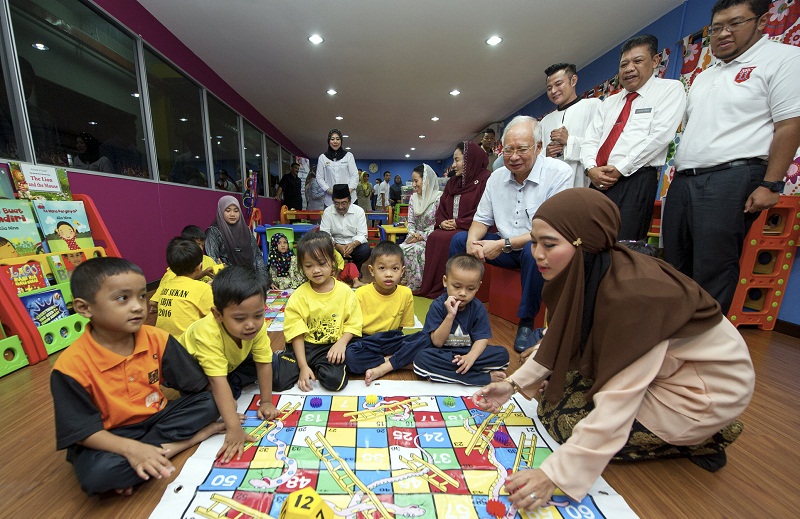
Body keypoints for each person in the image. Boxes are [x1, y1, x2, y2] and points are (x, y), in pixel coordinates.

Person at [473, 188, 755, 511]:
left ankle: (708, 437)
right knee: (551, 394)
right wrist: (513, 385)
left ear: (583, 243)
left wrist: (553, 475)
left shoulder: (635, 301)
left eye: (549, 244)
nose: (537, 254)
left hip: (701, 393)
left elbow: (620, 400)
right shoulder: (598, 264)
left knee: (562, 422)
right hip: (667, 371)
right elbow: (562, 334)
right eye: (535, 242)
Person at [664, 0, 800, 314]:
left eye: (735, 23)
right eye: (716, 28)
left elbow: (790, 124)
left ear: (763, 21)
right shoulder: (705, 74)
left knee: (713, 267)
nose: (723, 33)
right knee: (674, 266)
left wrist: (772, 184)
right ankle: (672, 342)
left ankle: (705, 351)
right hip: (684, 180)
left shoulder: (783, 59)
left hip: (731, 178)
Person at [50, 257, 220, 496]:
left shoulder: (157, 338)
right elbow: (83, 432)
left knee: (212, 402)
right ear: (84, 308)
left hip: (157, 417)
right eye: (122, 298)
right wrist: (130, 449)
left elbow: (197, 387)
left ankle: (145, 459)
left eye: (142, 295)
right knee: (96, 476)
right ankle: (182, 444)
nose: (138, 306)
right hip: (111, 435)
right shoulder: (69, 367)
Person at [451, 115, 572, 352]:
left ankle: (526, 323)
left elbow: (551, 230)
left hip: (536, 245)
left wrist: (504, 245)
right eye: (508, 150)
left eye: (522, 149)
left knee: (533, 249)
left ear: (538, 147)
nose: (514, 156)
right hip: (504, 245)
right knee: (459, 239)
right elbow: (480, 220)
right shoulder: (496, 177)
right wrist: (473, 242)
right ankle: (459, 308)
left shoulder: (559, 173)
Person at [581, 34, 686, 241]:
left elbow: (660, 136)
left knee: (624, 246)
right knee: (588, 242)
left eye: (637, 61)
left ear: (655, 61)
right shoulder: (609, 102)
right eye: (624, 64)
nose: (629, 69)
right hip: (597, 180)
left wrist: (620, 168)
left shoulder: (670, 90)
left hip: (635, 179)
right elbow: (590, 140)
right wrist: (590, 168)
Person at [179, 266, 279, 463]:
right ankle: (221, 391)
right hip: (192, 372)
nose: (251, 324)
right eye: (240, 318)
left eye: (258, 315)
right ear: (218, 315)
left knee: (272, 362)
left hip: (228, 365)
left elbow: (263, 363)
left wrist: (266, 401)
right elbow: (217, 381)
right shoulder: (207, 332)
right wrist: (233, 427)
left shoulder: (255, 327)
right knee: (216, 402)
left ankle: (230, 385)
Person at [274, 231, 363, 392]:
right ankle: (287, 358)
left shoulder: (345, 292)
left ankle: (317, 367)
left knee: (335, 382)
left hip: (330, 346)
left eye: (321, 264)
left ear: (333, 262)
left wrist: (341, 344)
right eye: (309, 266)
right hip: (303, 346)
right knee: (278, 382)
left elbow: (354, 323)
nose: (316, 270)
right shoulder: (299, 296)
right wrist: (302, 366)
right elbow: (296, 332)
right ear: (301, 267)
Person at [413, 254, 509, 386]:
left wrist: (470, 357)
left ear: (478, 286)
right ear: (445, 281)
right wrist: (450, 316)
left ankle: (448, 373)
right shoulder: (437, 305)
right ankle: (479, 378)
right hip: (443, 353)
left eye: (470, 289)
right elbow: (437, 342)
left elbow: (482, 339)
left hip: (469, 353)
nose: (463, 293)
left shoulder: (477, 307)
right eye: (457, 286)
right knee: (421, 359)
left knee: (502, 355)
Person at [414, 141, 491, 299]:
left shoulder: (485, 181)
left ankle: (450, 288)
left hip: (471, 229)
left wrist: (458, 223)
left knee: (450, 238)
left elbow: (484, 212)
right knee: (435, 236)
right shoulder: (453, 183)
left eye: (457, 160)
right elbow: (442, 208)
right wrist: (442, 222)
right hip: (450, 227)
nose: (453, 165)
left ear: (470, 161)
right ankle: (433, 286)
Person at [345, 242, 417, 386]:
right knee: (350, 357)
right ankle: (393, 361)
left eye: (394, 269)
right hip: (366, 340)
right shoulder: (361, 293)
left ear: (402, 271)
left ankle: (390, 359)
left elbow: (401, 328)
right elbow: (351, 325)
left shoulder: (406, 293)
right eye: (382, 268)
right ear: (372, 270)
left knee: (423, 341)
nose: (388, 274)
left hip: (391, 338)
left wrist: (397, 344)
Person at [539, 63, 602, 188]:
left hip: (585, 185)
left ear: (573, 81)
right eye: (549, 88)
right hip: (553, 188)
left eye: (558, 84)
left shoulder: (593, 106)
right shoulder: (545, 122)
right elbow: (536, 157)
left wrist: (569, 140)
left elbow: (601, 146)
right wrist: (546, 153)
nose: (553, 91)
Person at [205, 195, 271, 288]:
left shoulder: (246, 230)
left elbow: (257, 257)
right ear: (220, 211)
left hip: (251, 281)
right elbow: (212, 260)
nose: (232, 214)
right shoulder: (214, 232)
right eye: (228, 210)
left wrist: (264, 282)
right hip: (229, 284)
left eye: (236, 211)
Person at [154, 238, 213, 337]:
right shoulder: (203, 288)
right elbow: (215, 318)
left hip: (163, 342)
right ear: (199, 266)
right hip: (188, 345)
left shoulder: (166, 285)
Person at [400, 164, 441, 291]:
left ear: (426, 180)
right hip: (414, 237)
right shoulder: (413, 198)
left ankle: (418, 285)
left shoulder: (438, 198)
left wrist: (422, 236)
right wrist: (413, 234)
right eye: (412, 181)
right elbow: (411, 222)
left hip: (431, 238)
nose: (413, 184)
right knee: (401, 248)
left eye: (416, 181)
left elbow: (439, 225)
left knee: (415, 249)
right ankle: (408, 281)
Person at [319, 184, 371, 282]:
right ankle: (334, 274)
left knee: (365, 250)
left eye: (344, 203)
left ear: (350, 201)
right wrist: (337, 246)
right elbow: (324, 234)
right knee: (322, 248)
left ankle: (355, 271)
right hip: (334, 245)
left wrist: (353, 245)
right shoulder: (328, 212)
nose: (340, 207)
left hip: (353, 245)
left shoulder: (359, 211)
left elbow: (363, 234)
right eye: (337, 203)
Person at [316, 129, 358, 206]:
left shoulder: (348, 156)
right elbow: (319, 177)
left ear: (341, 141)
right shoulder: (322, 158)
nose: (335, 141)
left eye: (338, 139)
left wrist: (348, 191)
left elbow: (354, 175)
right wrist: (329, 190)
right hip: (330, 200)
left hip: (349, 198)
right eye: (332, 139)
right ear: (328, 141)